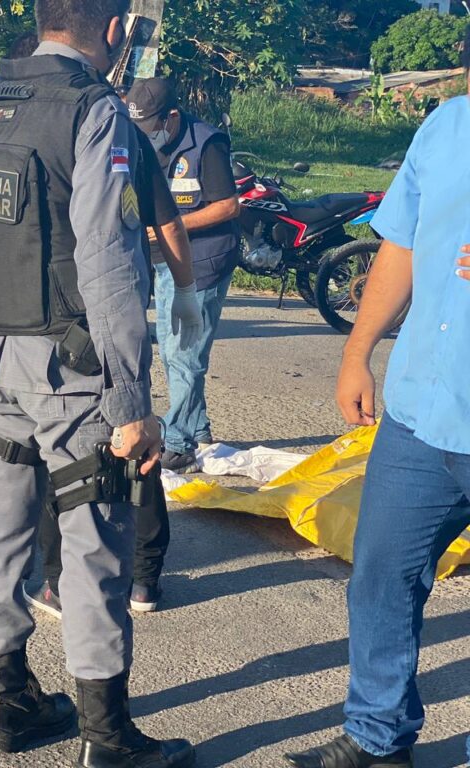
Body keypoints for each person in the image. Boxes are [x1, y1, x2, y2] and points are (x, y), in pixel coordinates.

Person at [0, 1, 199, 765]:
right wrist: (133, 401)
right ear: (116, 30)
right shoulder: (96, 110)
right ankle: (106, 736)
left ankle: (11, 705)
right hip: (71, 369)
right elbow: (108, 257)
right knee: (95, 548)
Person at [283, 31, 470, 768]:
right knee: (381, 579)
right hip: (422, 414)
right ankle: (377, 738)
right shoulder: (447, 125)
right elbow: (401, 246)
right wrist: (356, 352)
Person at [126, 77, 241, 473]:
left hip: (203, 260)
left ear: (172, 116)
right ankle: (198, 427)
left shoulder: (207, 143)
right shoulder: (139, 141)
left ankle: (179, 444)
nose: (147, 135)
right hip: (161, 258)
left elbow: (228, 206)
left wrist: (169, 226)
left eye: (152, 126)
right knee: (174, 351)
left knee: (183, 353)